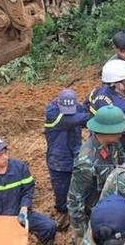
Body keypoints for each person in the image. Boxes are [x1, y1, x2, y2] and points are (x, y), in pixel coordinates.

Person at [0, 137, 57, 244]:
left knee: (49, 226)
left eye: (5, 152)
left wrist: (24, 209)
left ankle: (37, 240)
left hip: (18, 215)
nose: (4, 157)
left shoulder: (20, 168)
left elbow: (28, 191)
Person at [67, 106, 125, 244]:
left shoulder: (114, 144)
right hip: (94, 220)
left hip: (111, 211)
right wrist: (83, 235)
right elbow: (74, 201)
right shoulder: (86, 162)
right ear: (106, 131)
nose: (121, 133)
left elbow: (122, 166)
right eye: (118, 130)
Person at [44, 89, 90, 230]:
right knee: (61, 189)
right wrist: (94, 113)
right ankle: (62, 212)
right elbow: (75, 120)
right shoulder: (52, 113)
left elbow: (83, 121)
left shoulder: (77, 107)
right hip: (58, 160)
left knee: (80, 186)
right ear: (58, 103)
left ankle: (79, 212)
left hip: (75, 154)